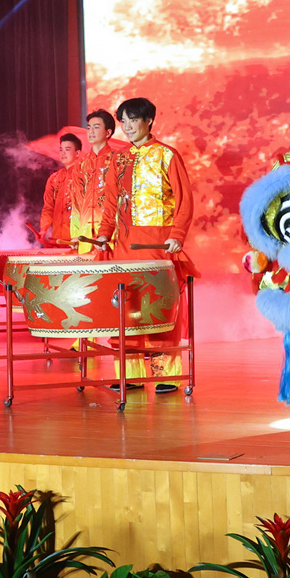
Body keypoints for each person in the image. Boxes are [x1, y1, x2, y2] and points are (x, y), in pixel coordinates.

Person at [114, 96, 194, 392]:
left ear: (149, 121)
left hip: (159, 244)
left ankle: (165, 374)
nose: (127, 126)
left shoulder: (167, 155)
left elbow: (185, 201)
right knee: (127, 308)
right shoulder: (119, 159)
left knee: (160, 306)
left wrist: (177, 236)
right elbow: (110, 203)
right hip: (124, 244)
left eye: (133, 120)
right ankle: (130, 375)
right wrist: (104, 234)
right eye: (123, 121)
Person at [70, 108, 130, 255]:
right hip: (85, 233)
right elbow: (76, 201)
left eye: (96, 127)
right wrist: (75, 233)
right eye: (89, 128)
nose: (91, 132)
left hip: (112, 232)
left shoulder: (118, 160)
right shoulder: (81, 163)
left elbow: (124, 199)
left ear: (108, 132)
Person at [37, 132, 82, 245]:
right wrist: (43, 230)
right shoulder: (54, 178)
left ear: (77, 153)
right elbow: (48, 208)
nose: (63, 153)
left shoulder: (84, 176)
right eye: (61, 150)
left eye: (67, 149)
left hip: (78, 240)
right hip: (57, 240)